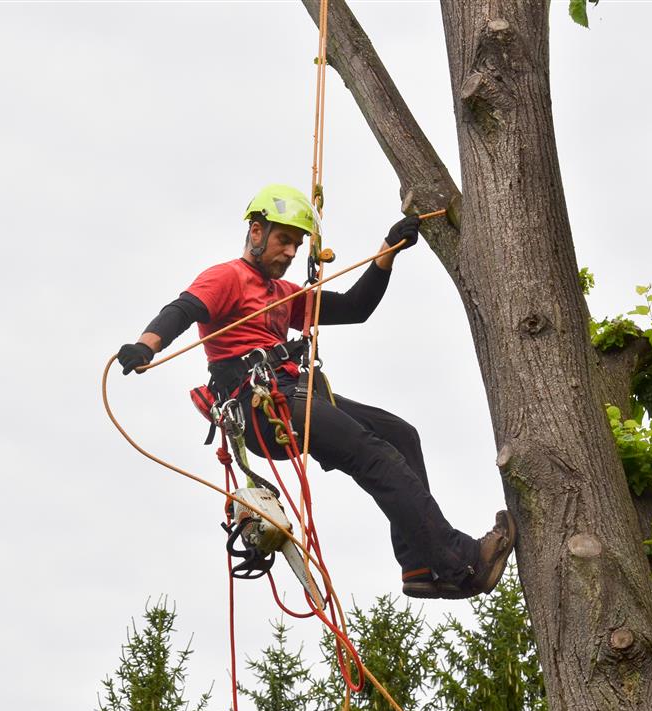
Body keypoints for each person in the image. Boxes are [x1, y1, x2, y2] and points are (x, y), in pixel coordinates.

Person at [116, 183, 515, 599]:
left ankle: (418, 566)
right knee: (373, 455)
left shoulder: (283, 294)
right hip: (262, 403)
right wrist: (147, 345)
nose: (291, 252)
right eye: (284, 240)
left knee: (400, 435)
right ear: (256, 232)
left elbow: (355, 308)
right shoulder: (228, 277)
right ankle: (460, 562)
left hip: (293, 393)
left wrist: (387, 252)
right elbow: (184, 309)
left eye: (297, 244)